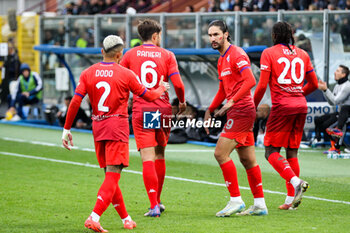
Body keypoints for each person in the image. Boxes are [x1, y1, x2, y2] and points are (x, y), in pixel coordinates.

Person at [61, 35, 170, 232]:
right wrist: (161, 87)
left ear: (101, 52)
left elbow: (76, 101)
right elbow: (150, 96)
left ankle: (126, 218)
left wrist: (66, 128)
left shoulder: (87, 73)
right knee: (113, 176)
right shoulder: (126, 74)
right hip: (117, 128)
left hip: (98, 128)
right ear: (120, 54)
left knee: (110, 175)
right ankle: (94, 216)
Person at [120, 19, 186, 217]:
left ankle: (153, 206)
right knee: (160, 154)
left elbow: (122, 80)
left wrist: (129, 99)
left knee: (147, 158)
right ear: (156, 36)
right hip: (164, 109)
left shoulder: (130, 54)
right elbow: (179, 84)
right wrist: (181, 102)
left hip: (144, 109)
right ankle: (158, 200)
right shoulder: (167, 55)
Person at [204, 20, 268, 217]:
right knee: (248, 160)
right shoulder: (222, 59)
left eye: (216, 34)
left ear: (226, 34)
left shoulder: (237, 53)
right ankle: (259, 204)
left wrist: (231, 103)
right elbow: (223, 89)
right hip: (238, 110)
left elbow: (251, 80)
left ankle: (236, 200)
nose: (213, 38)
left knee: (220, 153)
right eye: (210, 35)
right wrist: (211, 109)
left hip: (241, 110)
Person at [254, 21, 318, 210]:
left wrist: (253, 105)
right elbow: (314, 83)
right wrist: (297, 94)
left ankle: (296, 182)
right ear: (291, 34)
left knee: (270, 152)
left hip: (283, 107)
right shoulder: (303, 54)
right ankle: (291, 201)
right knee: (292, 152)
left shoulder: (269, 53)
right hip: (300, 106)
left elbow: (262, 85)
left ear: (274, 35)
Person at [317, 65, 350, 154]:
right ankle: (333, 146)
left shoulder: (347, 86)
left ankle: (336, 147)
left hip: (347, 114)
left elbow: (336, 101)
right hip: (341, 114)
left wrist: (326, 89)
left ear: (343, 74)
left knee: (335, 123)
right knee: (322, 121)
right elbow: (332, 103)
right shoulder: (337, 86)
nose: (335, 72)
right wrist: (324, 91)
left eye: (338, 71)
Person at [0, 41, 21, 105]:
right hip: (6, 78)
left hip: (12, 78)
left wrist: (5, 67)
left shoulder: (15, 58)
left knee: (11, 93)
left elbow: (14, 69)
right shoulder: (8, 57)